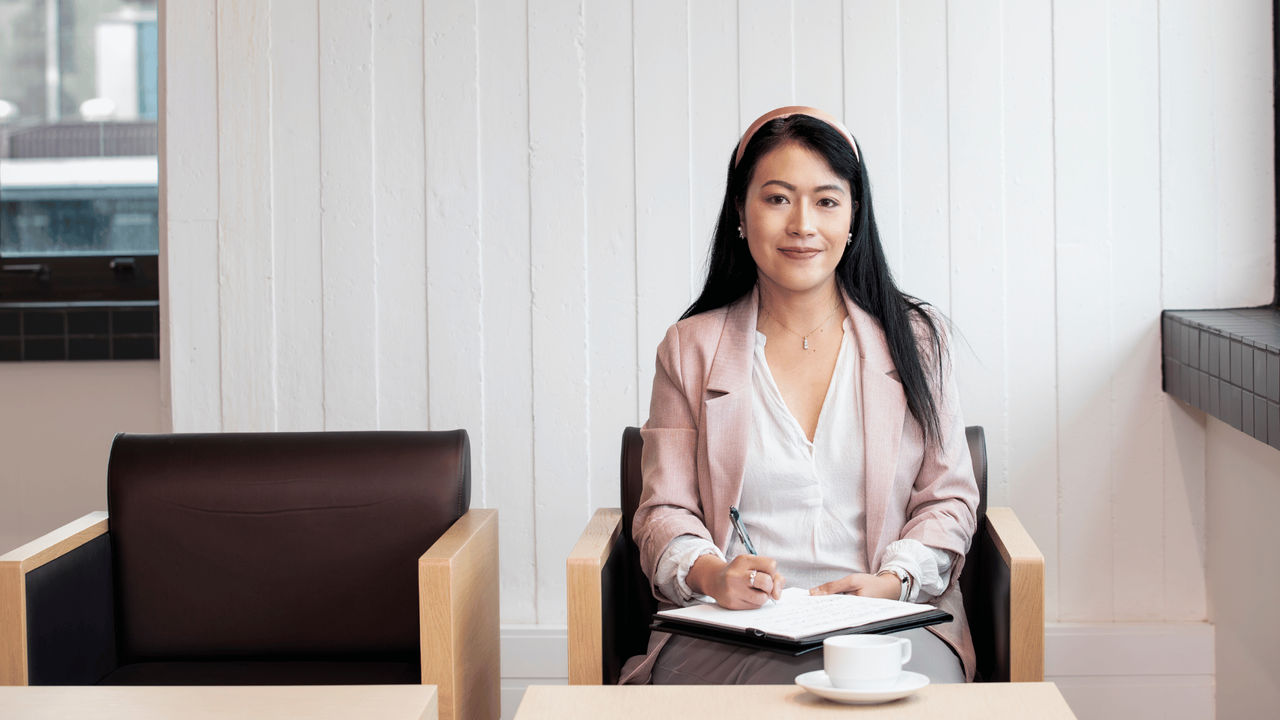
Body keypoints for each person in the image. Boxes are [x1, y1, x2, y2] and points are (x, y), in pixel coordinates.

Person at [619, 106, 980, 685]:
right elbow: (665, 510)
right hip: (736, 624)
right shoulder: (689, 347)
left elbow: (949, 502)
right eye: (778, 198)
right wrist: (713, 575)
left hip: (888, 624)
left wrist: (890, 585)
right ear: (741, 212)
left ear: (854, 215)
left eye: (827, 201)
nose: (803, 225)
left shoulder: (916, 340)